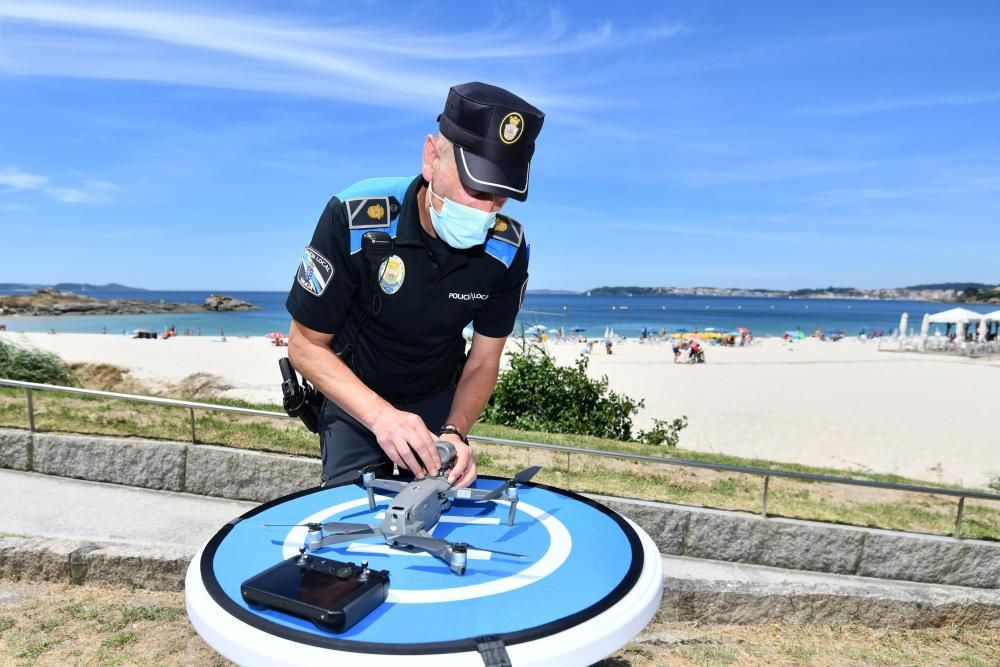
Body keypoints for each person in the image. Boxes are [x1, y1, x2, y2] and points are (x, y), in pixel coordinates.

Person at [286, 82, 544, 489]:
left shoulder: (507, 251)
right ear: (431, 158)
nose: (485, 210)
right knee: (348, 521)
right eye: (476, 188)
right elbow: (304, 346)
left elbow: (482, 362)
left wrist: (455, 432)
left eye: (500, 197)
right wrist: (382, 417)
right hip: (353, 394)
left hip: (438, 401)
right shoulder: (355, 217)